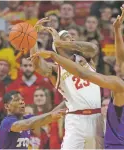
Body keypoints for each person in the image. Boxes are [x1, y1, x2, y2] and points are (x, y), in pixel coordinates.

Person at [31, 5, 124, 149]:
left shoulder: (118, 83)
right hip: (84, 122)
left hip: (111, 138)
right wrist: (117, 30)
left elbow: (84, 72)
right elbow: (123, 62)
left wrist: (55, 54)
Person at [30, 18, 104, 149]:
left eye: (71, 38)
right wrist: (32, 37)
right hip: (75, 119)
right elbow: (37, 65)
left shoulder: (86, 58)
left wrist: (61, 42)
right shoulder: (55, 68)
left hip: (96, 118)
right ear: (56, 45)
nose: (72, 40)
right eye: (67, 38)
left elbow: (93, 48)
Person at [0, 90, 65, 149]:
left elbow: (49, 115)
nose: (21, 102)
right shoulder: (7, 122)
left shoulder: (28, 118)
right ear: (7, 106)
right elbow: (27, 124)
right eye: (16, 100)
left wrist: (68, 101)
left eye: (22, 100)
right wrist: (50, 115)